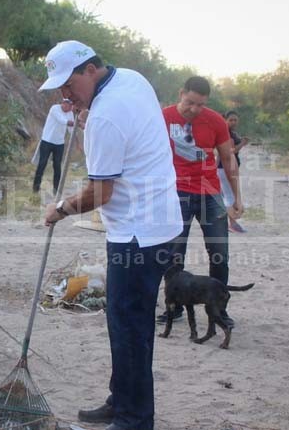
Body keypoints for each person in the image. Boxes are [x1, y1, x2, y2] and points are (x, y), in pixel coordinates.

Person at [39, 40, 182, 430]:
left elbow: (99, 193)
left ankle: (134, 419)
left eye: (69, 85)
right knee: (127, 322)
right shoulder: (132, 80)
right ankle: (121, 400)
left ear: (89, 69)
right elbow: (132, 135)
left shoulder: (104, 117)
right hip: (161, 224)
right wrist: (89, 118)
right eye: (60, 89)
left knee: (129, 326)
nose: (65, 95)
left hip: (137, 235)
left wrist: (61, 210)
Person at [161, 77, 243, 324]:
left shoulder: (216, 120)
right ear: (181, 93)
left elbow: (228, 159)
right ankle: (174, 306)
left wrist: (237, 196)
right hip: (176, 193)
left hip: (210, 194)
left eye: (200, 104)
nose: (195, 109)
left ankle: (219, 306)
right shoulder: (162, 118)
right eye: (190, 102)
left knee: (219, 252)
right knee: (174, 253)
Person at [33, 98, 74, 194]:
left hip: (59, 143)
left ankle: (56, 190)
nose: (71, 107)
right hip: (47, 141)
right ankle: (36, 188)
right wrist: (76, 123)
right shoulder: (54, 108)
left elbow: (71, 129)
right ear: (64, 103)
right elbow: (62, 120)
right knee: (42, 164)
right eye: (69, 104)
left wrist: (76, 140)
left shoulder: (70, 113)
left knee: (57, 166)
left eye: (72, 105)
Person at [218, 111, 249, 233]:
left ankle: (228, 223)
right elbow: (230, 151)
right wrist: (242, 143)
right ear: (225, 120)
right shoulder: (225, 134)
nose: (233, 122)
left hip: (225, 168)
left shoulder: (231, 133)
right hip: (226, 168)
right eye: (231, 120)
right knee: (230, 195)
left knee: (225, 195)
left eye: (235, 120)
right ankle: (232, 223)